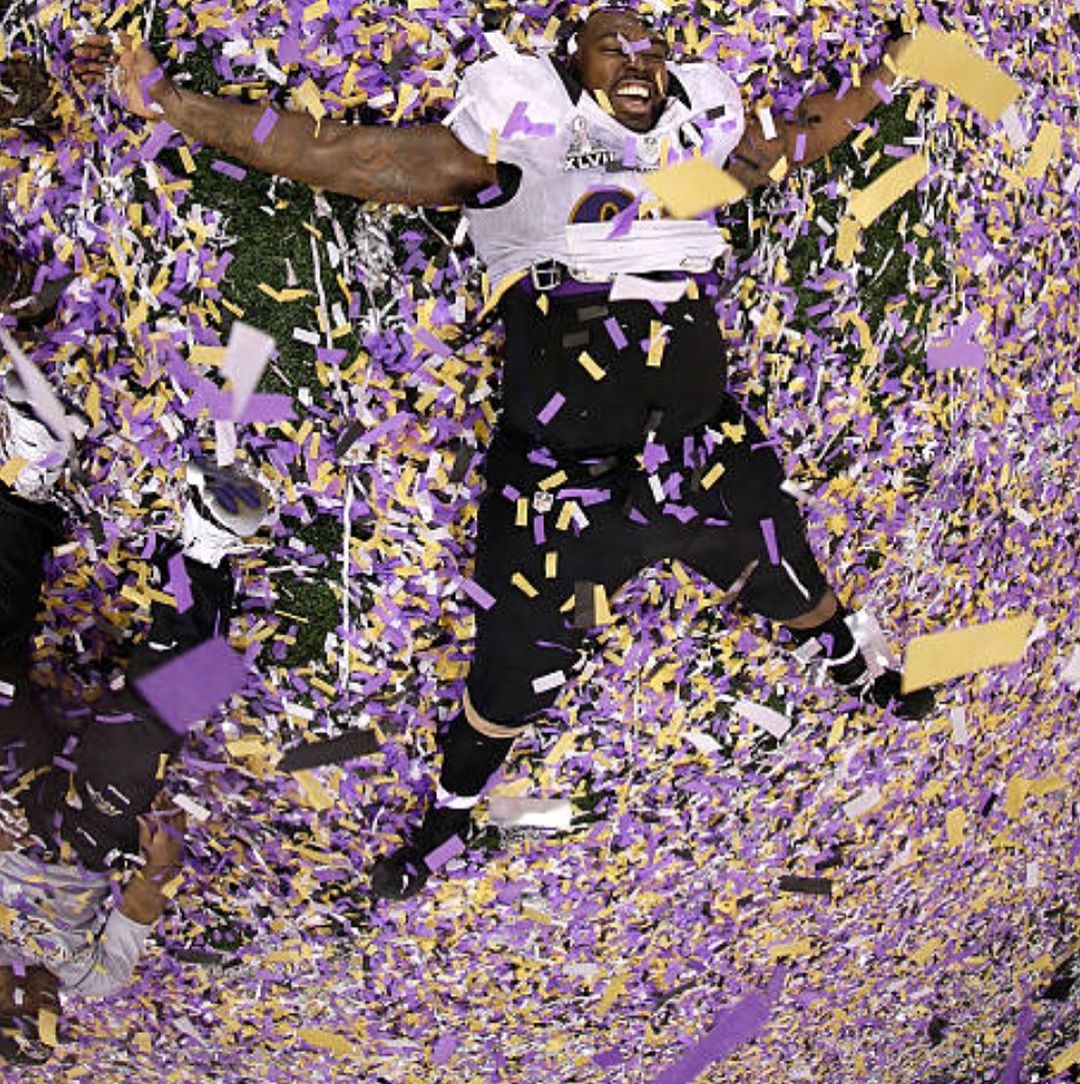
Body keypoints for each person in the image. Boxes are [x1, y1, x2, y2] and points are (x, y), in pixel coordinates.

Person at [74, 2, 936, 903]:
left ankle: (853, 663)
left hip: (702, 445)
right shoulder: (527, 142)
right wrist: (175, 104)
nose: (638, 61)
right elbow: (346, 155)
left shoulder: (696, 136)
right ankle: (450, 816)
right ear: (572, 61)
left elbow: (793, 140)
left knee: (785, 566)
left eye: (651, 47)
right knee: (514, 666)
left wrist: (887, 75)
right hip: (565, 479)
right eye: (612, 47)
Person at [0, 320, 272, 1063]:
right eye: (43, 1015)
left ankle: (28, 480)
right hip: (90, 835)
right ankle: (206, 550)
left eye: (16, 1012)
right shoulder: (94, 977)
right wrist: (157, 863)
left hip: (8, 799)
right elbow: (144, 901)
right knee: (165, 716)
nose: (35, 1000)